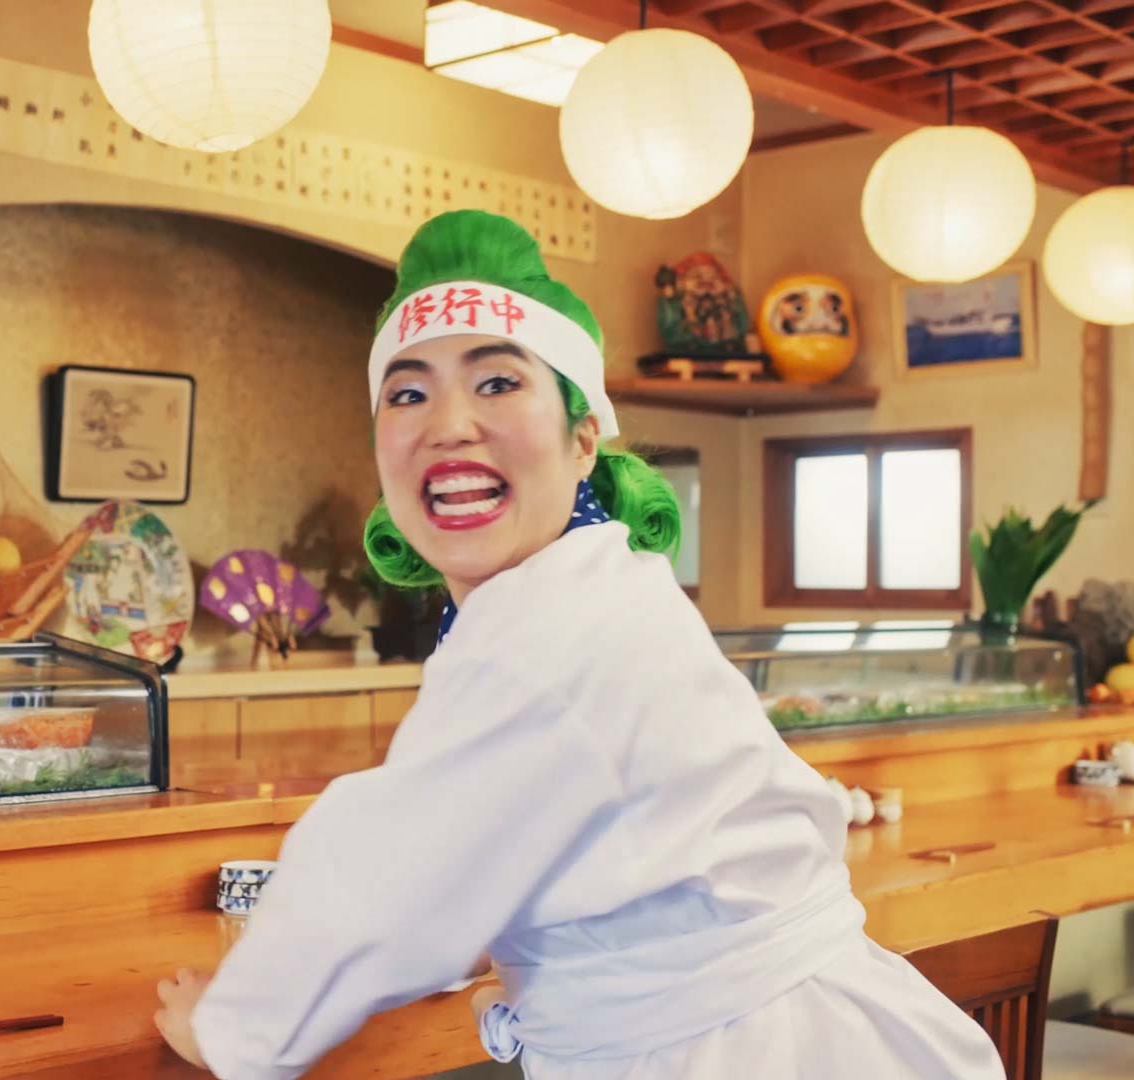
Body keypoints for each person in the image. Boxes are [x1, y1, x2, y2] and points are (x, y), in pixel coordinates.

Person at [152, 211, 1002, 1080]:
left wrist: (230, 1029)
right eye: (407, 394)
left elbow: (387, 881)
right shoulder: (598, 585)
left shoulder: (550, 630)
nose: (449, 424)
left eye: (497, 383)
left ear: (584, 437)